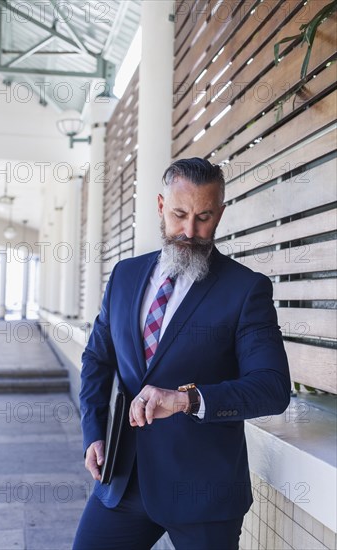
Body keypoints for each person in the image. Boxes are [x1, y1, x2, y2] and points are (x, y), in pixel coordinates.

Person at [73, 157, 290, 550]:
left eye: (204, 217)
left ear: (220, 213)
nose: (190, 230)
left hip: (204, 494)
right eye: (179, 214)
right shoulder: (124, 275)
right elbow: (97, 361)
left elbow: (272, 388)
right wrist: (94, 433)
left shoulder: (247, 289)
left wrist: (186, 399)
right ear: (160, 206)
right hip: (122, 482)